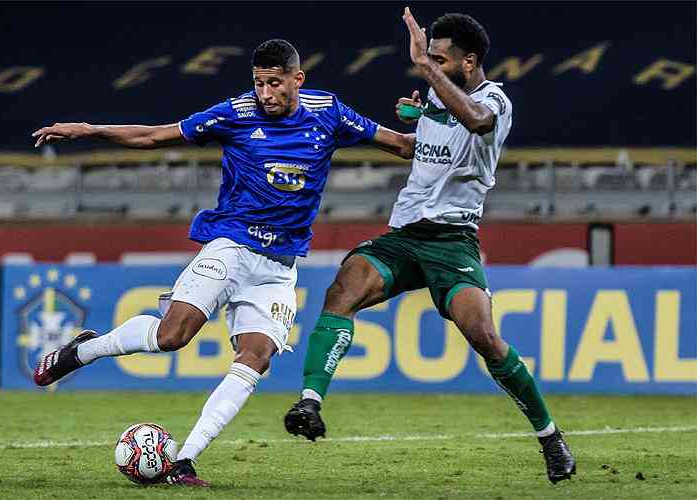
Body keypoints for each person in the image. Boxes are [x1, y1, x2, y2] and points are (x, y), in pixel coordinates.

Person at [31, 38, 415, 487]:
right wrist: (87, 129)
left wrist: (430, 119)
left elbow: (403, 147)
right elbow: (155, 135)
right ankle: (84, 349)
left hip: (278, 266)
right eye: (258, 84)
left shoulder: (328, 111)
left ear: (297, 79)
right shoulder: (236, 113)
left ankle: (183, 462)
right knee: (172, 335)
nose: (266, 94)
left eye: (275, 83)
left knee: (257, 356)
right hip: (230, 246)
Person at [283, 8, 576, 484]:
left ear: (469, 61)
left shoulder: (494, 100)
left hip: (453, 241)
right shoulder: (441, 98)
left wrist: (426, 69)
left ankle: (550, 437)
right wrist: (416, 118)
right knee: (343, 290)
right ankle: (310, 404)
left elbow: (477, 122)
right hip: (405, 235)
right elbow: (425, 140)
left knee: (484, 337)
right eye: (430, 57)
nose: (433, 64)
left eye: (442, 59)